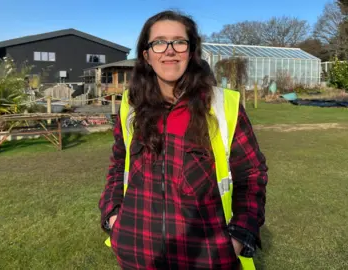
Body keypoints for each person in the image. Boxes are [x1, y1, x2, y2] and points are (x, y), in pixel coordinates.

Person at [98, 10, 268, 270]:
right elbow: (118, 165)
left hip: (207, 258)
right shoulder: (131, 106)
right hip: (137, 255)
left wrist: (237, 238)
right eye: (159, 42)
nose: (169, 50)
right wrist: (112, 216)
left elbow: (252, 175)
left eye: (179, 42)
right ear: (146, 54)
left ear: (191, 52)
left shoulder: (224, 105)